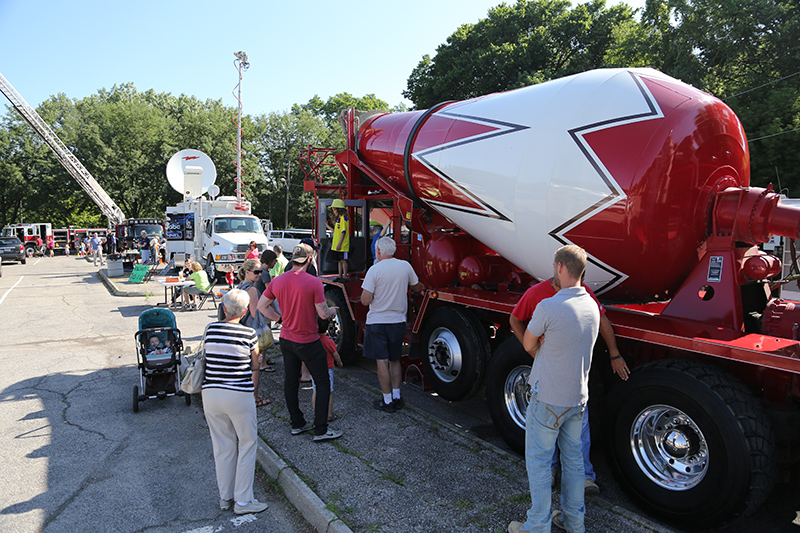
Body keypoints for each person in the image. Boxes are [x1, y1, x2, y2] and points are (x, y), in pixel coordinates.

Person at [509, 274, 630, 496]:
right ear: (558, 271)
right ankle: (551, 472)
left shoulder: (583, 292)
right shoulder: (538, 296)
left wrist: (614, 353)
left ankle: (583, 477)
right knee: (548, 429)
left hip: (575, 376)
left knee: (578, 431)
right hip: (548, 376)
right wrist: (534, 351)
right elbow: (515, 319)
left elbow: (602, 320)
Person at [508, 245, 600, 533]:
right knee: (573, 463)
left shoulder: (548, 305)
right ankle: (574, 522)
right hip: (578, 398)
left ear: (560, 267)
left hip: (547, 396)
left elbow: (528, 343)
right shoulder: (592, 307)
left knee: (538, 463)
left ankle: (537, 526)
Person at [257, 243, 342, 442]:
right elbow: (322, 313)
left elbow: (262, 306)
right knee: (322, 382)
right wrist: (332, 311)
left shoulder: (278, 281)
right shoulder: (314, 282)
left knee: (291, 381)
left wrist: (280, 319)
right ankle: (320, 429)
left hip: (287, 339)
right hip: (309, 340)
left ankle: (297, 423)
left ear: (293, 259)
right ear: (310, 259)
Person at [201, 289, 268, 515]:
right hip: (238, 394)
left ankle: (225, 497)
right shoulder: (249, 334)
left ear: (224, 308)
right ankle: (243, 501)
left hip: (210, 394)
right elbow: (255, 366)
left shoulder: (210, 329)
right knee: (247, 444)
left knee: (223, 446)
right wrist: (257, 361)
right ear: (245, 311)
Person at [360, 237, 424, 412]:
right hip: (398, 322)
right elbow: (417, 286)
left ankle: (387, 401)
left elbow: (365, 301)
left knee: (382, 362)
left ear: (379, 251)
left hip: (378, 322)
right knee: (395, 360)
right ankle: (397, 396)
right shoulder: (405, 266)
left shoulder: (374, 270)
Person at [236, 259, 272, 407]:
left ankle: (246, 396)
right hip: (251, 332)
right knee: (255, 367)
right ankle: (254, 398)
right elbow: (254, 312)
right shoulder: (251, 290)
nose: (259, 275)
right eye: (256, 272)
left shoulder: (240, 287)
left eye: (261, 272)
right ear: (247, 272)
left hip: (240, 330)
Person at [312, 317, 343, 422]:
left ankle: (317, 413)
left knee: (316, 390)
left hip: (314, 368)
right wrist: (339, 362)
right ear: (328, 328)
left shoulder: (313, 340)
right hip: (327, 368)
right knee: (328, 392)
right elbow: (336, 355)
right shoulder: (328, 341)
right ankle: (329, 414)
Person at [326, 199, 349, 280]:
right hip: (337, 245)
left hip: (342, 245)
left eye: (334, 209)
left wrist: (339, 243)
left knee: (343, 260)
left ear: (339, 209)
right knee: (339, 260)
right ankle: (340, 276)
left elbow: (343, 232)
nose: (333, 211)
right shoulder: (338, 220)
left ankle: (345, 276)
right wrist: (327, 225)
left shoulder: (344, 219)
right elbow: (335, 231)